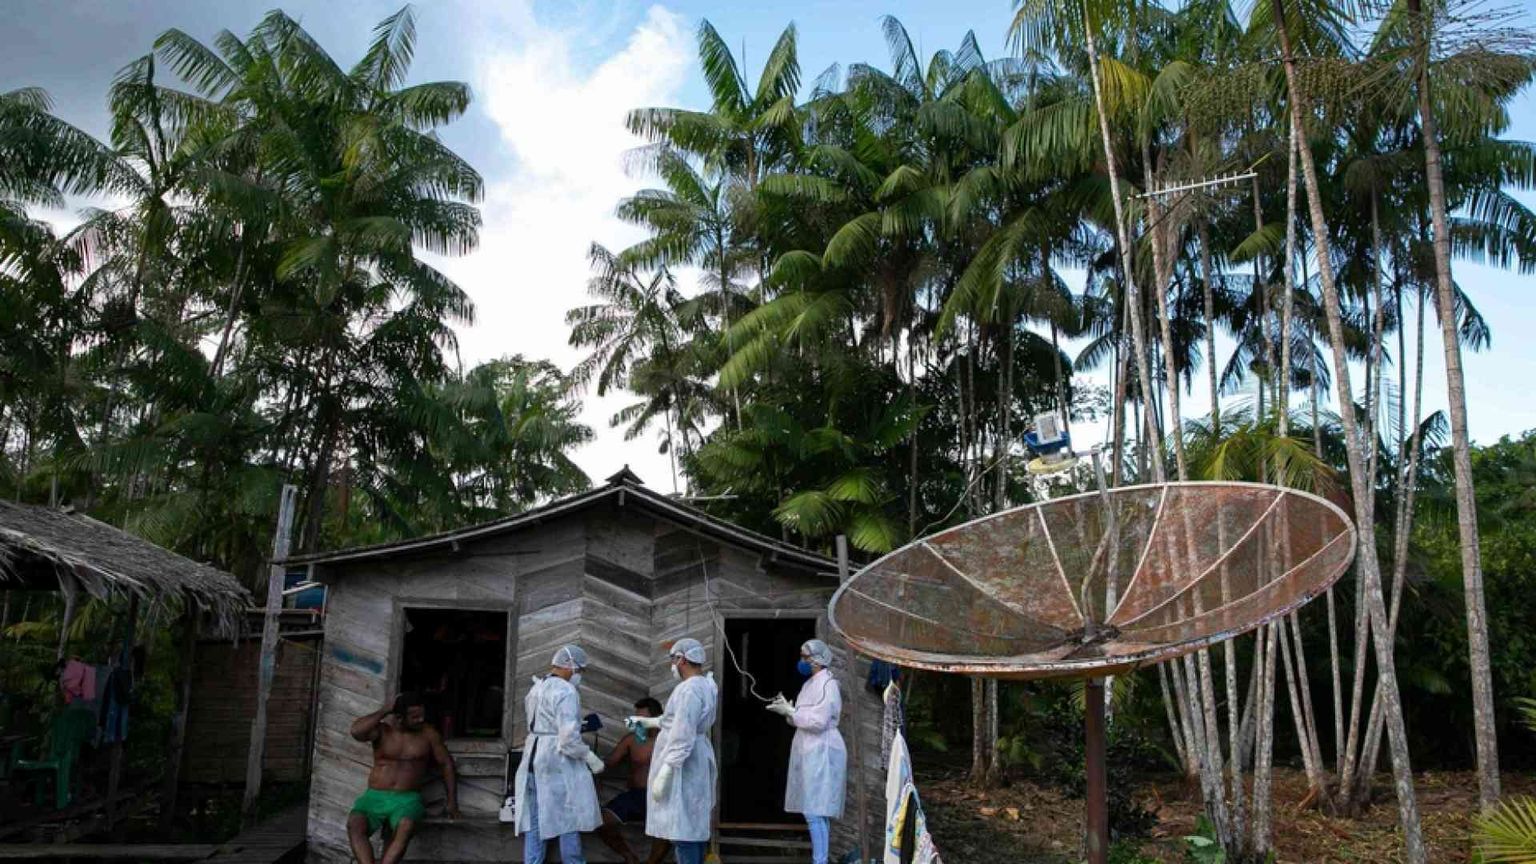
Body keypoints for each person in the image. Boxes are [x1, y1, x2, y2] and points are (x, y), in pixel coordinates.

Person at [513, 644, 605, 864]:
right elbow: (568, 741)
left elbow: (547, 724)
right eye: (579, 670)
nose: (579, 675)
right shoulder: (566, 690)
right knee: (568, 818)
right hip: (557, 761)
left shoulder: (537, 687)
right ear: (570, 665)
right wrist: (589, 756)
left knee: (535, 822)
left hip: (534, 758)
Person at [346, 692, 458, 864]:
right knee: (355, 824)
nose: (420, 719)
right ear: (399, 717)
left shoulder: (428, 734)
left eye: (422, 715)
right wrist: (384, 710)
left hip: (407, 799)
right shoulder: (382, 731)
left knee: (405, 827)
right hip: (374, 796)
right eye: (414, 717)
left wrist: (452, 800)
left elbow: (446, 764)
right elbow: (356, 731)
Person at [635, 637, 718, 864]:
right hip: (692, 757)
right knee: (689, 823)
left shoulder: (688, 690)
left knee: (683, 828)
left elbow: (683, 733)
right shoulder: (705, 685)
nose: (672, 664)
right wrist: (649, 723)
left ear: (681, 659)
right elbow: (676, 720)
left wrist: (667, 770)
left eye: (673, 659)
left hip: (684, 763)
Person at [767, 639, 846, 864]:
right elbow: (801, 718)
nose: (801, 661)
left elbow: (819, 721)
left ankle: (819, 861)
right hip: (809, 747)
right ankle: (819, 859)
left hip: (823, 748)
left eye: (804, 657)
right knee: (815, 809)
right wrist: (788, 711)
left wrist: (792, 711)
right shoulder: (810, 683)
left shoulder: (827, 685)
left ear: (816, 659)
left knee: (814, 810)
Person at [596, 697, 668, 864]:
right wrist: (589, 760)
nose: (639, 723)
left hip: (661, 796)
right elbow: (610, 762)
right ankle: (629, 857)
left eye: (642, 718)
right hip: (636, 795)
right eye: (636, 718)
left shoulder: (668, 741)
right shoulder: (631, 739)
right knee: (601, 821)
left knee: (667, 829)